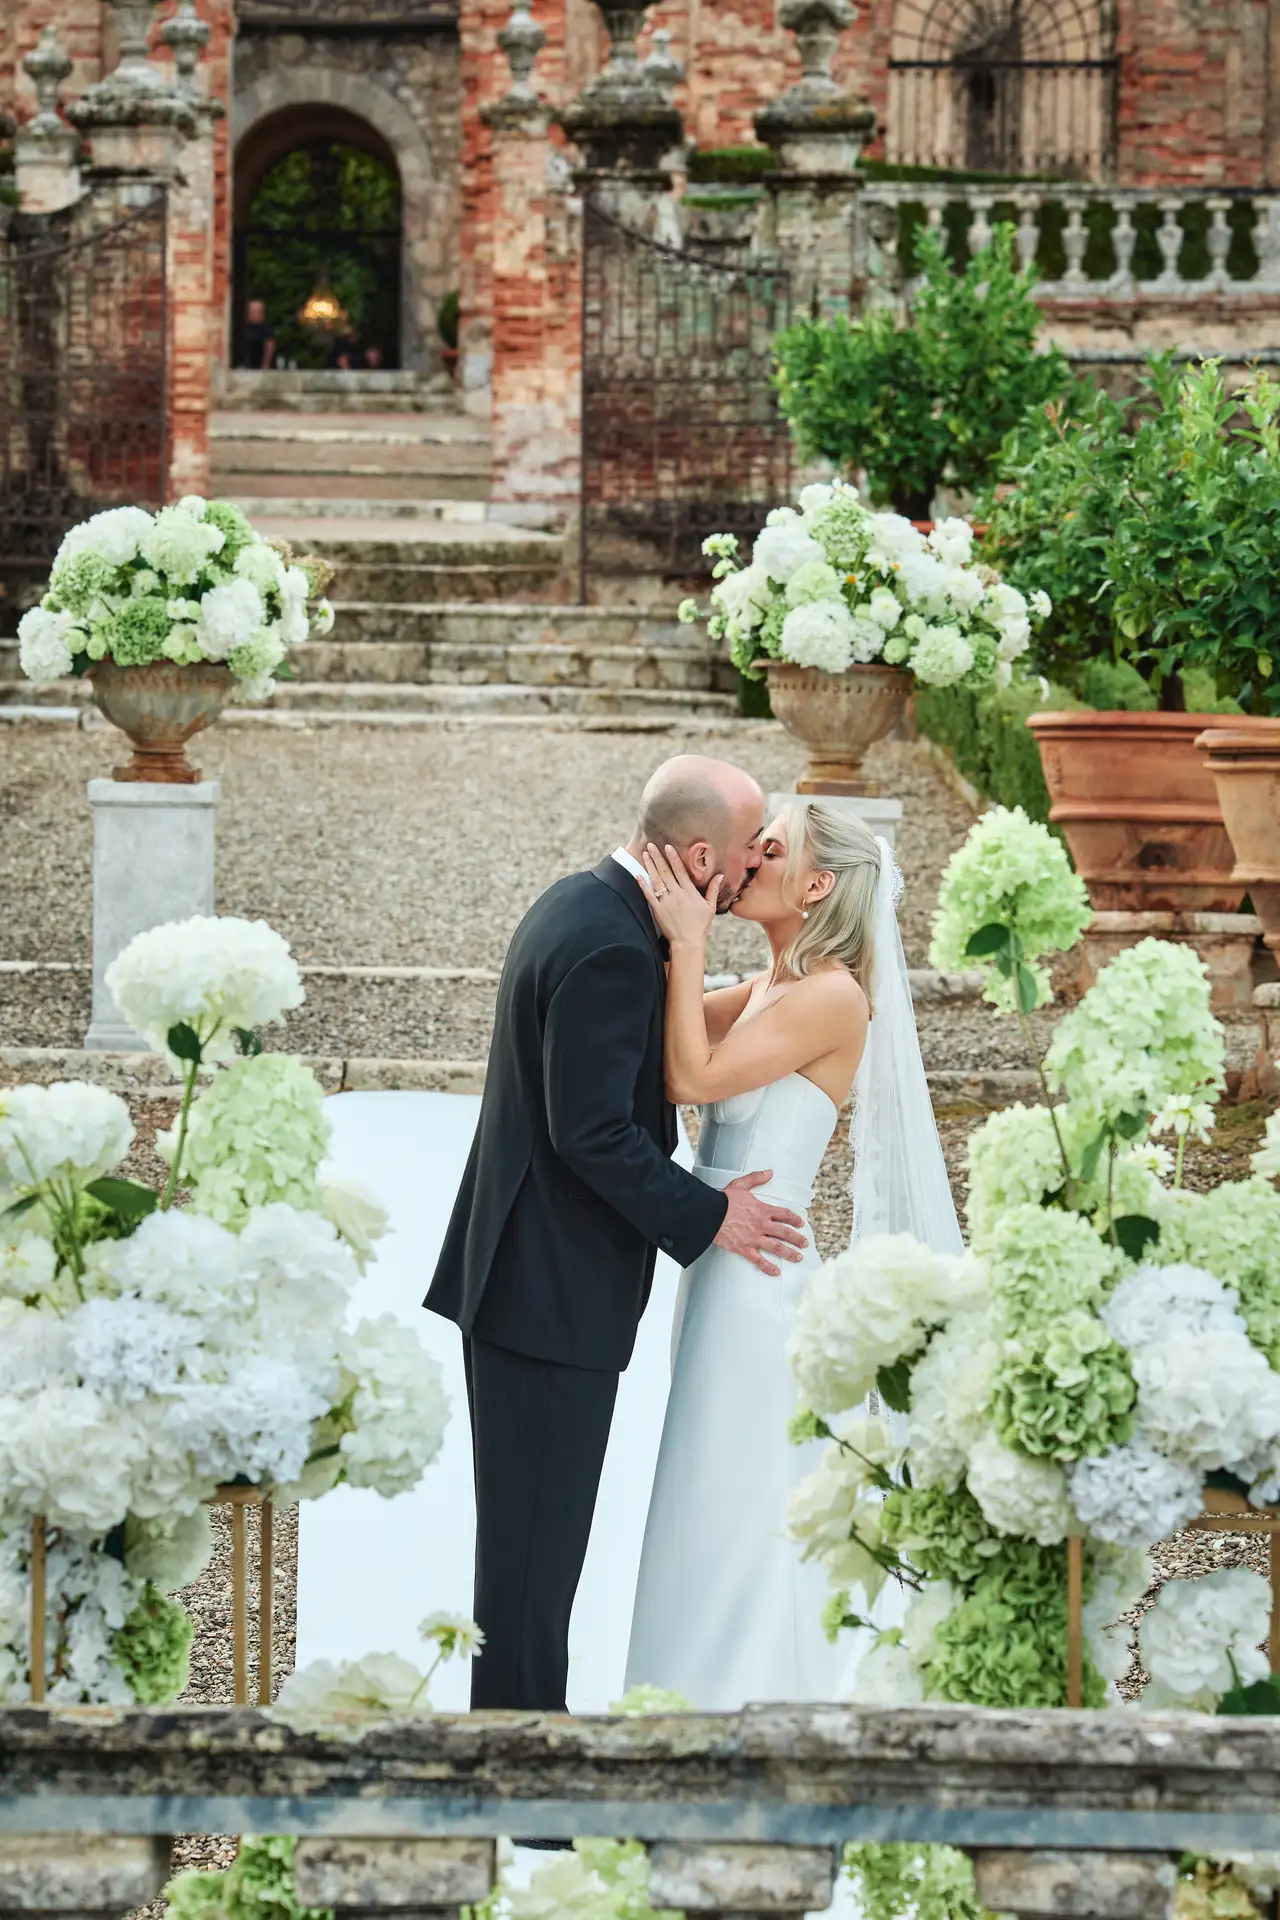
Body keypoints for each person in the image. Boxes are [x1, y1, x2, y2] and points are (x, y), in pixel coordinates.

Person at [425, 755, 810, 1716]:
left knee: (527, 1563)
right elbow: (590, 1132)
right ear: (692, 856)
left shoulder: (587, 905)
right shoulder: (614, 948)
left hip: (524, 1283)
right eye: (743, 854)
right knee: (529, 1571)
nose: (751, 869)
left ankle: (516, 1761)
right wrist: (712, 1214)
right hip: (545, 1298)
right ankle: (522, 1775)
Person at [625, 800, 962, 1707]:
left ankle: (746, 1695)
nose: (749, 859)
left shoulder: (833, 994)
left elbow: (689, 1076)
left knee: (738, 1486)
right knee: (714, 1489)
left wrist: (688, 938)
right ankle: (687, 1691)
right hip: (719, 1265)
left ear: (816, 884)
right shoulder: (775, 981)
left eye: (770, 849)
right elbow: (665, 1036)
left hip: (763, 1275)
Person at [241, 298, 276, 371]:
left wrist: (265, 364)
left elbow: (270, 346)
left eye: (257, 311)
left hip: (260, 368)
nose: (254, 314)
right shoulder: (243, 328)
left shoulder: (266, 329)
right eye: (252, 311)